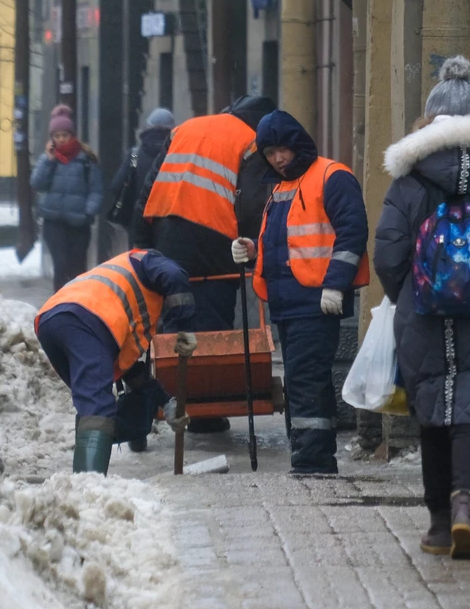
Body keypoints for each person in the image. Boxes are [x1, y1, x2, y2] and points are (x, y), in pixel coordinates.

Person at [374, 56, 470, 560]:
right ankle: (466, 504)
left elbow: (388, 256)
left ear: (429, 120)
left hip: (422, 315)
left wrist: (410, 297)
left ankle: (440, 526)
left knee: (431, 409)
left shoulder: (409, 181)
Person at [231, 110, 369, 475]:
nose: (278, 159)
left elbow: (352, 234)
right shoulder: (280, 189)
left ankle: (313, 461)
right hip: (287, 304)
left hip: (317, 302)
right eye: (270, 153)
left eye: (283, 150)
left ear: (297, 144)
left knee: (307, 379)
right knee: (301, 380)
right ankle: (309, 455)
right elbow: (288, 245)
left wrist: (336, 285)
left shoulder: (331, 176)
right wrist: (252, 250)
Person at [132, 95, 276, 433]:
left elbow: (149, 187)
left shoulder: (184, 128)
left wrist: (141, 242)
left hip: (166, 234)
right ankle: (206, 411)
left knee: (174, 316)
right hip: (215, 239)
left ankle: (175, 398)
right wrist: (254, 246)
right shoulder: (252, 140)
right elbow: (253, 204)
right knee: (212, 320)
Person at [35, 248, 198, 474]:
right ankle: (88, 490)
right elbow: (174, 274)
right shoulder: (146, 260)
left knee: (90, 404)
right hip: (87, 320)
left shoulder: (116, 288)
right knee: (97, 407)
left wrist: (166, 402)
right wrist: (185, 328)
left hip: (50, 321)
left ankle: (84, 478)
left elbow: (128, 370)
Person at [31, 104, 104, 291]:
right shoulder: (48, 159)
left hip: (79, 222)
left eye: (65, 135)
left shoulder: (86, 158)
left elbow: (96, 189)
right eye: (57, 136)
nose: (61, 140)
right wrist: (48, 161)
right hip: (53, 221)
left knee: (77, 267)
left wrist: (88, 212)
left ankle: (78, 305)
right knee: (61, 264)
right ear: (52, 138)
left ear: (72, 135)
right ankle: (58, 305)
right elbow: (37, 183)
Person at [107, 108, 177, 248]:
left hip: (138, 219)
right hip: (168, 221)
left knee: (138, 261)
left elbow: (117, 185)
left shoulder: (135, 155)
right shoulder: (176, 154)